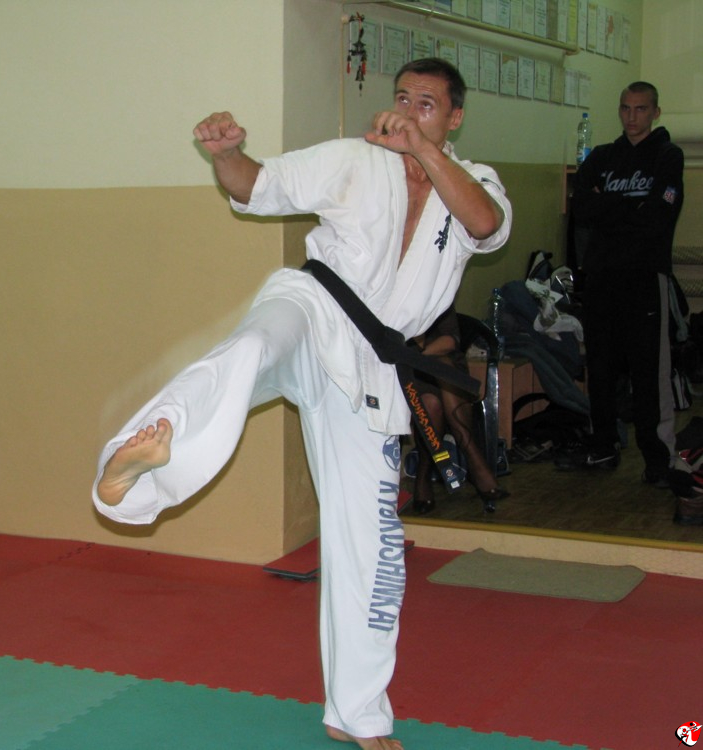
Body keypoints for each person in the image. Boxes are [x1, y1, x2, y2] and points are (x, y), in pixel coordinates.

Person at [92, 58, 511, 750]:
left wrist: (423, 152)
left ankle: (357, 714)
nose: (408, 111)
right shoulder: (355, 159)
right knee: (250, 349)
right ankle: (137, 463)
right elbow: (257, 185)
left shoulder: (474, 181)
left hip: (372, 367)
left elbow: (486, 224)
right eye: (402, 98)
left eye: (427, 104)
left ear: (455, 118)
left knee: (370, 545)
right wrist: (227, 155)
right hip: (315, 307)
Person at [566, 82, 684, 487]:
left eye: (641, 109)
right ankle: (603, 445)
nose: (632, 117)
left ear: (655, 112)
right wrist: (629, 205)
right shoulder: (602, 156)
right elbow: (582, 209)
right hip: (602, 277)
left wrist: (608, 206)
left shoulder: (667, 155)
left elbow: (658, 217)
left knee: (648, 370)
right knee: (600, 367)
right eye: (626, 108)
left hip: (644, 277)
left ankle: (658, 458)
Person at [408, 306, 508, 515]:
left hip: (447, 369)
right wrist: (416, 359)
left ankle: (425, 473)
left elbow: (449, 341)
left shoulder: (439, 296)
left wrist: (421, 355)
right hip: (412, 374)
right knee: (430, 403)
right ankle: (471, 459)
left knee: (444, 369)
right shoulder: (391, 299)